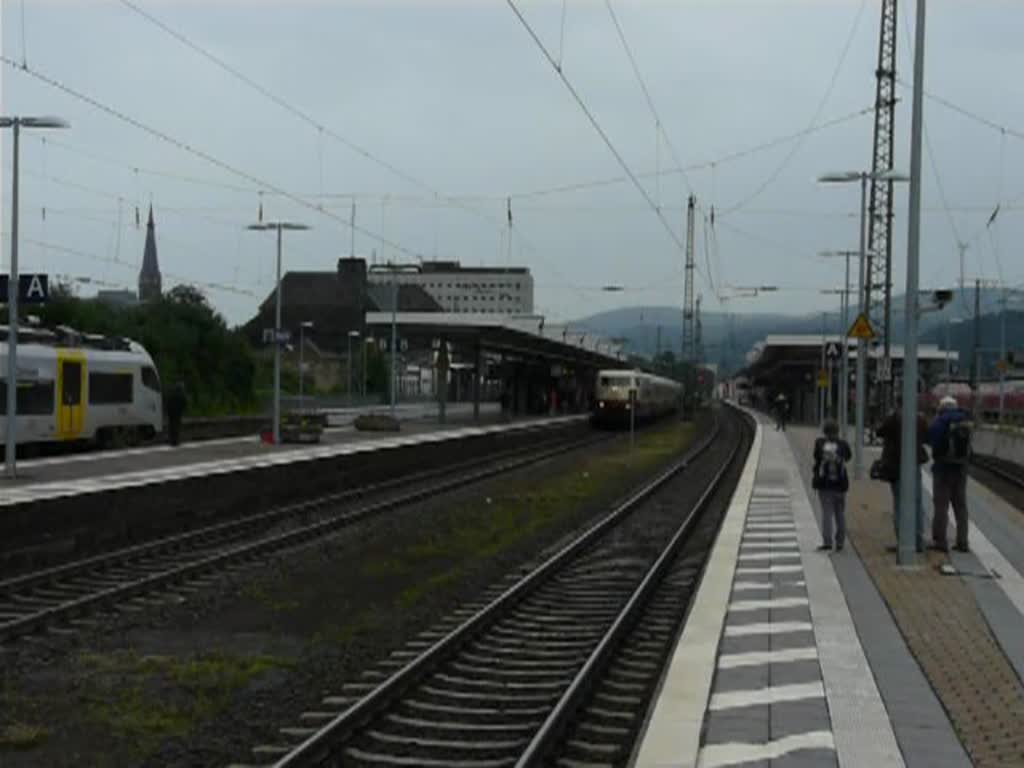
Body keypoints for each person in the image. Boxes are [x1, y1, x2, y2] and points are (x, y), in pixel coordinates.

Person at [875, 404, 929, 552]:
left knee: (900, 503)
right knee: (916, 502)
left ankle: (904, 542)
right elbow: (927, 436)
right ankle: (918, 540)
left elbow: (879, 431)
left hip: (896, 465)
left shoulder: (894, 417)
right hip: (914, 464)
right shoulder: (920, 418)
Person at [927, 396, 972, 552]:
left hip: (943, 469)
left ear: (942, 407)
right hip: (961, 469)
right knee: (961, 507)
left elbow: (930, 438)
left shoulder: (940, 422)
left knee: (941, 506)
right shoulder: (965, 420)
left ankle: (940, 541)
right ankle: (963, 542)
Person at [812, 419, 852, 551]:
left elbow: (816, 457)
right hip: (840, 484)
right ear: (837, 431)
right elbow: (848, 457)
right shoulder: (843, 445)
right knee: (840, 513)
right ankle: (840, 542)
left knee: (827, 514)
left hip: (825, 484)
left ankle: (827, 542)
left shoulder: (820, 443)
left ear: (825, 432)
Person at [166, 381, 187, 446]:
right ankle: (176, 440)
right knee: (177, 426)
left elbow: (168, 404)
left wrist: (168, 411)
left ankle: (172, 440)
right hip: (178, 413)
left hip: (171, 413)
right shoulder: (182, 395)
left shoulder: (172, 395)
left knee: (172, 426)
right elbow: (184, 404)